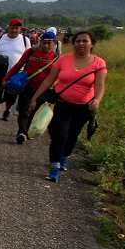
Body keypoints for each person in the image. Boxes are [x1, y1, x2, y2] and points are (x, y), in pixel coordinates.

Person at [29, 30, 107, 182]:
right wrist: (35, 98)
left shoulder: (99, 64)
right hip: (61, 104)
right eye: (78, 41)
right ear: (73, 43)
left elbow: (100, 85)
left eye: (85, 41)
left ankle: (64, 156)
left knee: (72, 136)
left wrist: (97, 100)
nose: (81, 44)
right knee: (59, 135)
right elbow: (48, 81)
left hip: (83, 108)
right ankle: (54, 167)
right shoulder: (63, 60)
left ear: (92, 44)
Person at [4, 28, 59, 143]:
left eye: (50, 43)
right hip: (27, 86)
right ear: (40, 41)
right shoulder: (30, 52)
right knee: (24, 109)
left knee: (34, 112)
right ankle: (22, 132)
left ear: (54, 43)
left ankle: (26, 130)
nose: (46, 45)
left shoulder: (56, 58)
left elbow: (59, 76)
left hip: (44, 90)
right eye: (44, 42)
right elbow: (18, 66)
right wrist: (6, 78)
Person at [0, 18, 31, 123]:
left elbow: (28, 56)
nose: (14, 30)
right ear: (8, 27)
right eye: (12, 28)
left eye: (17, 28)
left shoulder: (25, 40)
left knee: (11, 95)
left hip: (15, 74)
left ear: (20, 29)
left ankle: (7, 110)